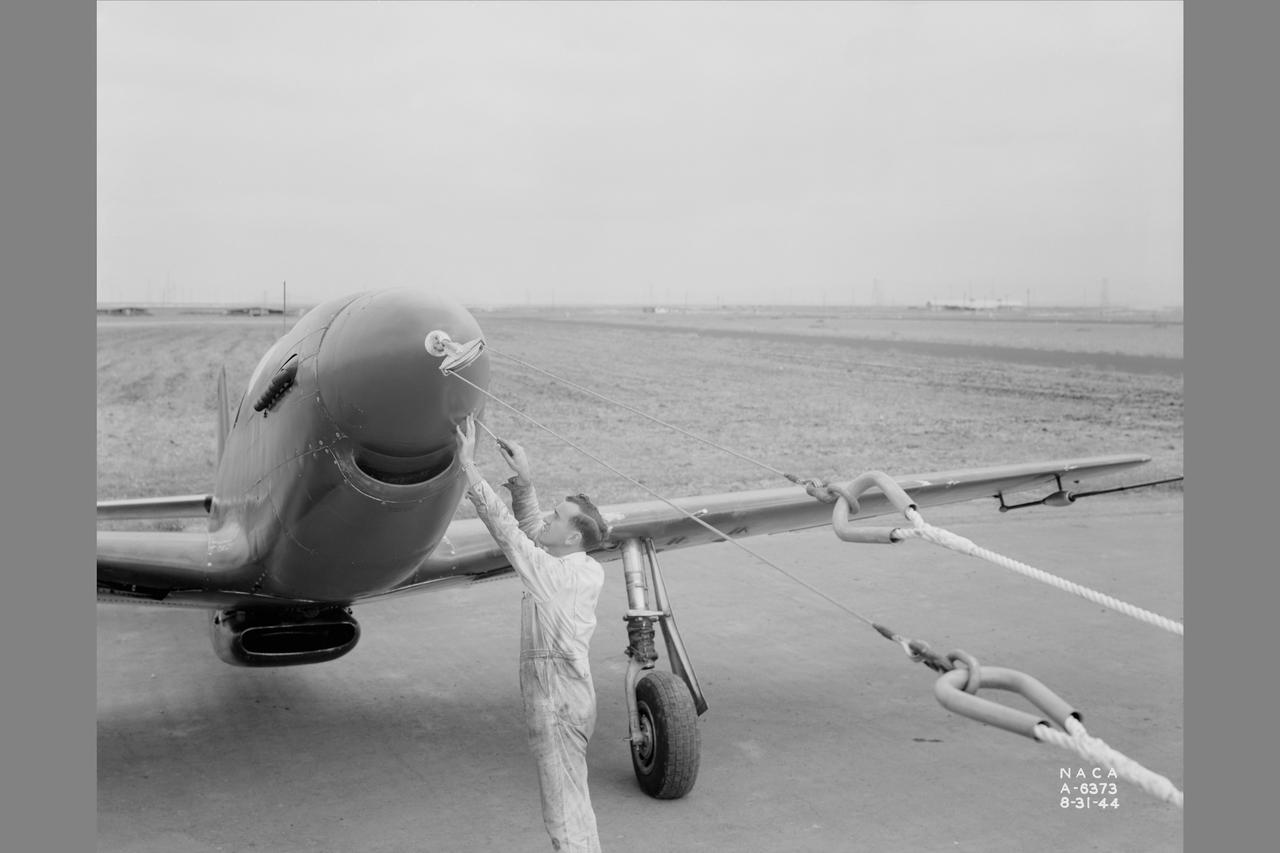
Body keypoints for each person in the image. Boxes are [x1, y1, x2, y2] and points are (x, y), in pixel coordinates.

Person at [454, 416, 608, 853]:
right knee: (574, 803)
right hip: (569, 696)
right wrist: (523, 482)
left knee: (562, 815)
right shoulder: (580, 566)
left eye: (556, 517)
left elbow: (512, 536)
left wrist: (469, 467)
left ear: (573, 535)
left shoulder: (556, 576)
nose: (547, 519)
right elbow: (535, 537)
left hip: (557, 701)